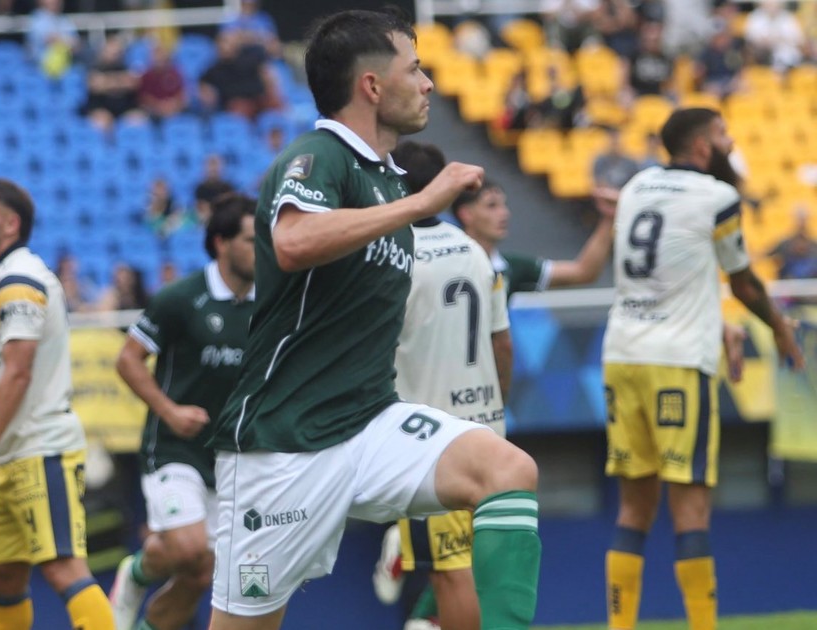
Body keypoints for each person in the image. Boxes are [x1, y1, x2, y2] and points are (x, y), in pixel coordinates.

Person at [206, 9, 541, 630]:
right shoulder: (319, 155)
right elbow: (293, 242)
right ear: (372, 85)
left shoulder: (387, 182)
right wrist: (421, 203)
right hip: (284, 444)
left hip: (370, 422)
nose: (429, 83)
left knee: (507, 470)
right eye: (415, 69)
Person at [602, 108, 804, 630]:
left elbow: (670, 273)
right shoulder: (717, 196)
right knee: (690, 511)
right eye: (721, 134)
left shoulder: (637, 186)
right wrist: (779, 328)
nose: (730, 141)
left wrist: (720, 325)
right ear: (701, 147)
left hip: (622, 355)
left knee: (633, 510)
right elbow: (744, 282)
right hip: (677, 364)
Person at [0, 178, 116, 630]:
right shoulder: (1, 279)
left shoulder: (20, 279)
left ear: (10, 224)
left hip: (40, 448)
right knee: (4, 577)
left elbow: (19, 371)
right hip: (8, 453)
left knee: (63, 568)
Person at [371, 141, 513, 630]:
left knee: (452, 572)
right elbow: (502, 343)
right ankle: (399, 544)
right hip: (486, 429)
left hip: (430, 441)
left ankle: (397, 540)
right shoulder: (475, 251)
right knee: (473, 564)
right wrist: (496, 406)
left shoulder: (394, 254)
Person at [109, 195, 257, 630]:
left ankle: (139, 581)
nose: (263, 248)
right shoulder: (182, 297)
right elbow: (128, 359)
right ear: (221, 243)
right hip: (175, 448)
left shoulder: (272, 303)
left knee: (199, 572)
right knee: (192, 550)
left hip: (231, 457)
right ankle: (140, 572)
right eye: (252, 240)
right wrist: (170, 411)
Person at [451, 179, 616, 298]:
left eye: (503, 205)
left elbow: (583, 272)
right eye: (491, 205)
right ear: (466, 214)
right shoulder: (449, 266)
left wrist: (608, 219)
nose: (505, 213)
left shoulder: (510, 267)